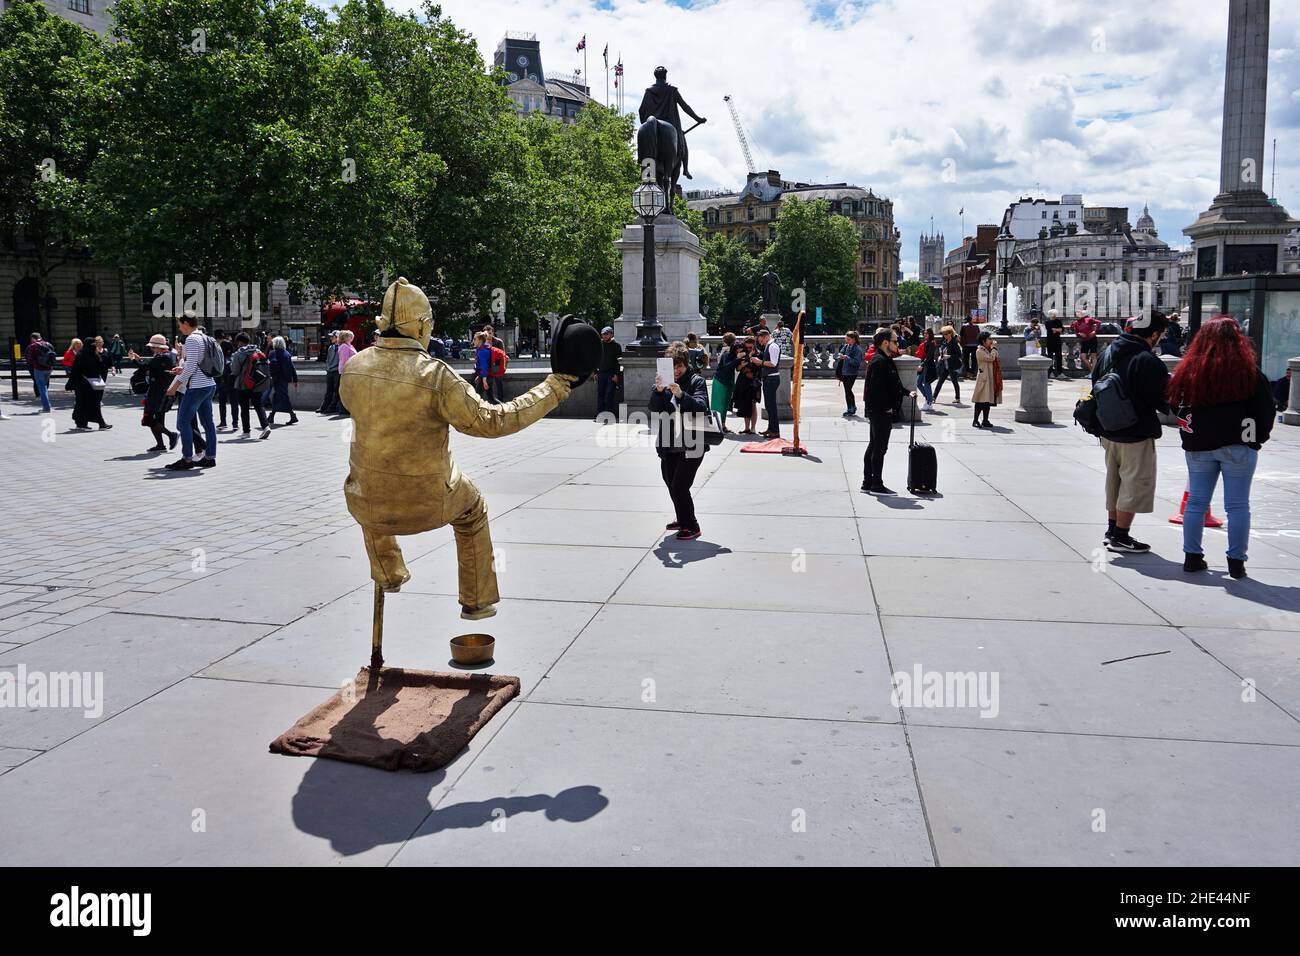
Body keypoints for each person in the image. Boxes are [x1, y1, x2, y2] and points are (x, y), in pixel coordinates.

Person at [339, 277, 581, 621]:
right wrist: (552, 389)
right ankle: (477, 601)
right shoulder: (436, 376)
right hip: (428, 501)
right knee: (472, 511)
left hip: (367, 503)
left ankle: (388, 572)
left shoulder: (354, 367)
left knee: (369, 489)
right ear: (421, 327)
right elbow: (492, 421)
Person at [1168, 317, 1274, 579]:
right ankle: (1236, 562)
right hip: (1238, 444)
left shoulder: (1190, 371)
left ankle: (1192, 557)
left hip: (1199, 444)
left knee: (1196, 502)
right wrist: (1256, 438)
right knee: (1237, 506)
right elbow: (1265, 409)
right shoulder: (1248, 372)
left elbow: (1174, 403)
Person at [1092, 310, 1172, 554]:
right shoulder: (1147, 360)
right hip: (1135, 431)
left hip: (1107, 429)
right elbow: (1162, 399)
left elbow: (1094, 383)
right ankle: (1121, 536)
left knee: (1114, 481)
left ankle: (1111, 530)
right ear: (1154, 334)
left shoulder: (1107, 352)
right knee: (1134, 483)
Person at [649, 341, 711, 540]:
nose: (676, 371)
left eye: (680, 366)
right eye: (673, 367)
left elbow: (701, 407)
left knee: (680, 486)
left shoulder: (696, 381)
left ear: (686, 364)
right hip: (669, 442)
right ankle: (682, 517)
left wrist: (681, 395)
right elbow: (654, 408)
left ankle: (692, 525)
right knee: (670, 482)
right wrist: (659, 392)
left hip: (693, 443)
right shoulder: (663, 383)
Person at [164, 314, 218, 469]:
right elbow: (197, 364)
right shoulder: (205, 338)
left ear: (186, 323)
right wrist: (183, 369)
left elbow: (191, 367)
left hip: (197, 387)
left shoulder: (192, 339)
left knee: (182, 422)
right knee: (208, 423)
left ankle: (187, 459)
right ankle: (210, 457)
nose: (179, 327)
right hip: (209, 384)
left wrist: (174, 387)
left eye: (180, 324)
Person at [861, 328, 910, 495]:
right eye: (895, 341)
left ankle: (867, 483)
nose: (898, 344)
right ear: (885, 343)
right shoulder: (879, 361)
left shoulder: (884, 359)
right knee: (879, 448)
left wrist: (907, 392)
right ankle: (876, 484)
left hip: (879, 410)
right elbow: (876, 389)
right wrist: (887, 407)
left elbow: (892, 384)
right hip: (880, 410)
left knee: (874, 446)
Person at [128, 334, 179, 452]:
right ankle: (160, 444)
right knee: (158, 419)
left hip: (158, 392)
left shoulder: (162, 357)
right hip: (161, 391)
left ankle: (171, 435)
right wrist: (138, 359)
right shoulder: (167, 356)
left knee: (148, 419)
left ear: (159, 347)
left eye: (153, 347)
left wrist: (134, 359)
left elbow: (145, 367)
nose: (151, 348)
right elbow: (150, 366)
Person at [227, 332, 272, 439]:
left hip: (244, 384)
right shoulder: (258, 351)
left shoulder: (238, 354)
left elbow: (235, 370)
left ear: (239, 342)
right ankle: (265, 426)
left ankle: (246, 431)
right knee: (258, 405)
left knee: (244, 408)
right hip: (257, 382)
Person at [70, 334, 112, 430]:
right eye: (92, 345)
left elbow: (101, 366)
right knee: (83, 404)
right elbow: (75, 370)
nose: (93, 347)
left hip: (93, 384)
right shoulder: (80, 355)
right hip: (83, 385)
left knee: (94, 403)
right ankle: (82, 423)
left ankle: (100, 423)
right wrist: (72, 384)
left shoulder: (94, 354)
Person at [754, 326, 782, 438]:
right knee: (769, 405)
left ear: (766, 337)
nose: (760, 343)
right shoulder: (769, 346)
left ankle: (774, 430)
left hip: (772, 378)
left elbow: (773, 363)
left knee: (771, 406)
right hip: (769, 378)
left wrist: (760, 362)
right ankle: (771, 429)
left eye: (761, 340)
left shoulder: (773, 346)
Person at [265, 335, 299, 425]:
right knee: (277, 396)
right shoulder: (287, 353)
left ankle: (292, 415)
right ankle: (272, 416)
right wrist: (295, 379)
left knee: (282, 397)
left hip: (277, 379)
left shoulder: (273, 353)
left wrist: (270, 374)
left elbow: (272, 365)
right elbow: (292, 367)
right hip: (285, 379)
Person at [971, 331, 1002, 428]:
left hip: (991, 378)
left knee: (988, 401)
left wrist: (993, 349)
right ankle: (975, 420)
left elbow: (996, 357)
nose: (991, 341)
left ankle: (985, 420)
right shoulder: (979, 351)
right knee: (980, 400)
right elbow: (991, 358)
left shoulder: (989, 349)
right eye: (989, 339)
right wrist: (994, 349)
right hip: (984, 379)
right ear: (983, 341)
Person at [212, 329, 239, 431]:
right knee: (234, 402)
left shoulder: (217, 347)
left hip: (222, 378)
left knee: (222, 402)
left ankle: (223, 422)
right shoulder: (230, 347)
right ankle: (235, 423)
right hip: (232, 378)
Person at [732, 336, 760, 433]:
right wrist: (742, 365)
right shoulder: (742, 354)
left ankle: (753, 428)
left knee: (753, 404)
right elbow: (737, 368)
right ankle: (746, 427)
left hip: (754, 382)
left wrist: (752, 358)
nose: (748, 349)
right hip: (743, 381)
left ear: (754, 346)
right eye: (746, 347)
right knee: (744, 404)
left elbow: (760, 367)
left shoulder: (758, 354)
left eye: (750, 347)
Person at [711, 332, 738, 431]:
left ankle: (721, 425)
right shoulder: (727, 352)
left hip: (724, 380)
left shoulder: (728, 351)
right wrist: (738, 359)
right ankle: (719, 426)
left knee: (723, 405)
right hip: (722, 381)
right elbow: (727, 367)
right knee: (721, 405)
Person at [25, 331, 57, 413]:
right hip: (49, 368)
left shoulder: (33, 346)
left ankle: (46, 408)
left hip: (39, 369)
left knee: (42, 388)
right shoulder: (48, 344)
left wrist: (31, 367)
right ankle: (47, 406)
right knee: (44, 387)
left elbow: (30, 359)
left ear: (33, 338)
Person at [932, 324, 964, 405]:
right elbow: (942, 351)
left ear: (950, 333)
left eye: (946, 334)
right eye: (943, 334)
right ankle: (933, 397)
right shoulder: (944, 342)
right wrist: (941, 356)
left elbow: (959, 354)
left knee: (954, 381)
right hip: (945, 365)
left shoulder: (954, 342)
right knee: (940, 381)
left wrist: (949, 356)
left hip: (952, 365)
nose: (944, 335)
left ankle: (957, 398)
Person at [836, 330, 865, 417]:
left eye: (848, 339)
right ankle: (851, 407)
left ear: (854, 339)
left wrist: (846, 357)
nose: (847, 341)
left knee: (848, 390)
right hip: (844, 371)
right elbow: (840, 353)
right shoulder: (846, 346)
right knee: (847, 391)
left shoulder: (857, 349)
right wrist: (840, 355)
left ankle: (851, 408)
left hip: (852, 373)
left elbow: (857, 362)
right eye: (846, 339)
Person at [596, 326, 622, 420]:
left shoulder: (616, 346)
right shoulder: (599, 345)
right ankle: (600, 414)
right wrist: (595, 372)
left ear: (611, 334)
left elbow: (618, 362)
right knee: (600, 394)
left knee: (609, 394)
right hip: (601, 373)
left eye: (607, 334)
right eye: (603, 334)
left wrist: (616, 374)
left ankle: (608, 414)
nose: (605, 336)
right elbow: (595, 359)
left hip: (611, 373)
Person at [915, 328, 937, 412]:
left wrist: (922, 365)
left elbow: (929, 356)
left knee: (926, 383)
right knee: (918, 383)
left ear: (930, 334)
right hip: (924, 364)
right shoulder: (926, 342)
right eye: (924, 333)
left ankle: (929, 402)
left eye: (927, 333)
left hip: (928, 365)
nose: (925, 335)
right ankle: (928, 399)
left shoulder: (932, 343)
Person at [335, 330, 357, 416]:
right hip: (346, 371)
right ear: (345, 337)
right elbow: (345, 361)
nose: (352, 337)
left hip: (351, 371)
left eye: (352, 335)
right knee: (345, 391)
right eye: (350, 336)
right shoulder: (344, 346)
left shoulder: (349, 345)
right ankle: (343, 409)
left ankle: (347, 408)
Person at [318, 330, 341, 414]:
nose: (331, 338)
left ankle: (331, 407)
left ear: (337, 337)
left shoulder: (342, 347)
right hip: (330, 371)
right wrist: (327, 368)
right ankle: (324, 407)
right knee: (329, 390)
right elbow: (327, 359)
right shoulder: (331, 347)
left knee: (336, 390)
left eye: (332, 337)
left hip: (337, 371)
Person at [1043, 309, 1065, 377]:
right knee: (1050, 357)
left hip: (1057, 341)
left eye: (1055, 314)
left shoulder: (1058, 321)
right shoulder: (1047, 322)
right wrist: (1058, 329)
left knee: (1059, 357)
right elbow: (1050, 329)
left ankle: (1060, 373)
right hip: (1050, 341)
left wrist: (1056, 329)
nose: (1055, 315)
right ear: (1050, 315)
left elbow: (1062, 329)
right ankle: (1050, 373)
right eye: (1053, 314)